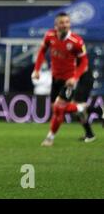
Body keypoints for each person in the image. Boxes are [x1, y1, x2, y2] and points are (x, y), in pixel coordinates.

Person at [32, 12, 97, 146]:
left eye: (67, 22)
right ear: (56, 25)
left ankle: (49, 138)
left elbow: (84, 62)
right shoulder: (50, 36)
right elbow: (42, 51)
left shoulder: (76, 41)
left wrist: (74, 77)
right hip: (56, 78)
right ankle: (82, 109)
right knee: (56, 109)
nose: (65, 25)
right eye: (62, 22)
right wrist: (37, 69)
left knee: (59, 107)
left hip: (69, 80)